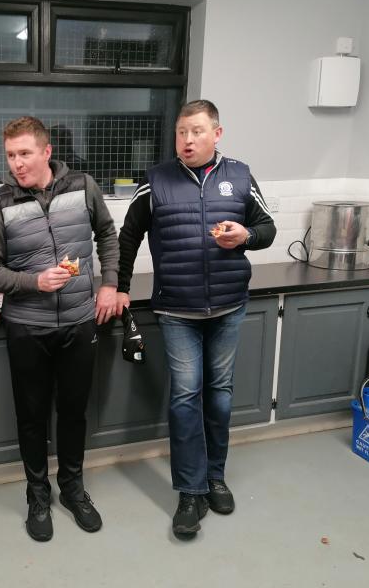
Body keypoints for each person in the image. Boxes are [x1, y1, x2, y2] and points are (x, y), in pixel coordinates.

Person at [115, 100, 276, 537]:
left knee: (219, 395)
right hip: (177, 308)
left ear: (217, 134)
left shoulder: (240, 176)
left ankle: (215, 478)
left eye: (197, 132)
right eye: (182, 132)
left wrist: (246, 235)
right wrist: (121, 286)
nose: (187, 140)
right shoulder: (155, 181)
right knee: (186, 396)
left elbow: (267, 228)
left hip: (228, 305)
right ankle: (189, 492)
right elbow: (127, 238)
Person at [0, 116, 119, 541]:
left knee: (74, 412)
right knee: (32, 418)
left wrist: (109, 284)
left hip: (79, 321)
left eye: (24, 153)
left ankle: (72, 488)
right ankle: (38, 494)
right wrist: (32, 282)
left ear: (46, 151)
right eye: (10, 156)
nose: (17, 163)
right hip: (27, 328)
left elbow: (108, 236)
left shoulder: (83, 186)